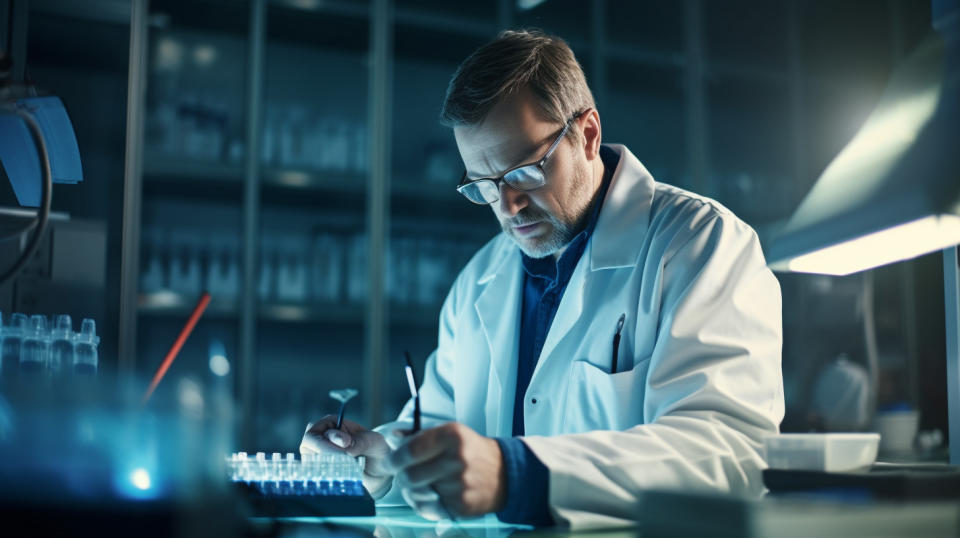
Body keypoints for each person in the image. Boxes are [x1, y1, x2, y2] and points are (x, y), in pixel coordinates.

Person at [301, 29, 784, 528]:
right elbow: (443, 431)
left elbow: (727, 451)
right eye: (484, 186)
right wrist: (384, 459)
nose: (508, 206)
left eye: (524, 172)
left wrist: (518, 476)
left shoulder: (701, 245)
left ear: (588, 135)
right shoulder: (478, 282)